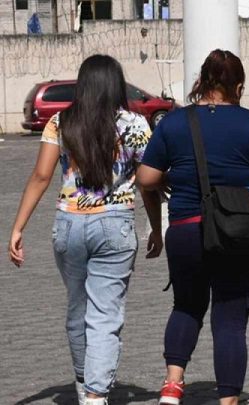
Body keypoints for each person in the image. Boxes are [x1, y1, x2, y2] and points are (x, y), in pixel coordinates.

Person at [137, 49, 249, 405]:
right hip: (238, 233)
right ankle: (228, 400)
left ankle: (172, 386)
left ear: (202, 82)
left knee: (186, 306)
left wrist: (167, 179)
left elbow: (146, 177)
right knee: (230, 316)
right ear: (238, 86)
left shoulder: (173, 123)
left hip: (186, 230)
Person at [8, 55, 163, 405]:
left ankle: (83, 385)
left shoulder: (61, 122)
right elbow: (147, 184)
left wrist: (18, 227)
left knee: (78, 310)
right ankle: (95, 395)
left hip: (69, 225)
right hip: (115, 225)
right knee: (105, 316)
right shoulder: (136, 124)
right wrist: (156, 228)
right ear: (115, 85)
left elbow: (41, 176)